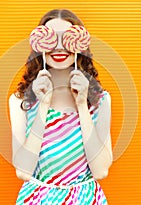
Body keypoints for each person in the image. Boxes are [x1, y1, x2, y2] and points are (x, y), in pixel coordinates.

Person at [9, 9, 113, 204]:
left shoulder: (100, 100)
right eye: (51, 39)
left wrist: (82, 104)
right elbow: (23, 171)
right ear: (38, 45)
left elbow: (100, 170)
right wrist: (43, 105)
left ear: (80, 45)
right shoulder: (19, 101)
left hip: (86, 199)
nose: (59, 47)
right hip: (37, 199)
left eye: (66, 39)